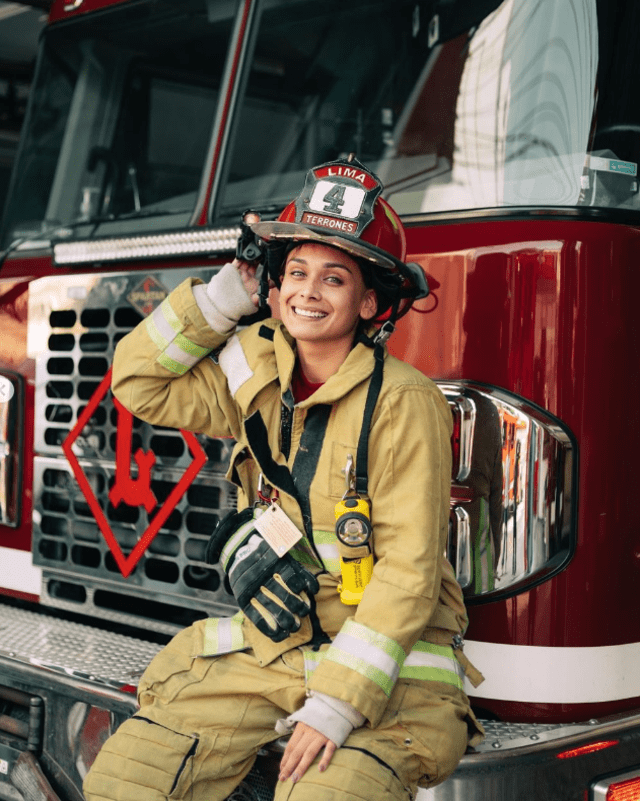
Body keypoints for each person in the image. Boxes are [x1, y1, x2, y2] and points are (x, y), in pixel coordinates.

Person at [83, 157, 484, 801]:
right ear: (273, 289)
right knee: (129, 777)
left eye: (334, 278)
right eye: (294, 271)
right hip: (275, 649)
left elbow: (409, 571)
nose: (308, 291)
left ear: (370, 302)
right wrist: (223, 297)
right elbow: (137, 383)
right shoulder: (253, 375)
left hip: (393, 675)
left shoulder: (403, 402)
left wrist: (337, 704)